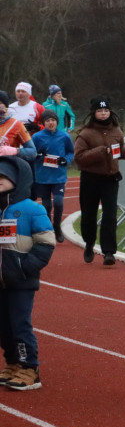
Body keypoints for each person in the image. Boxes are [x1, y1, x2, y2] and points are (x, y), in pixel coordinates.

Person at [0, 155, 55, 391]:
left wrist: (24, 267)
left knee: (20, 323)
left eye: (3, 176)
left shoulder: (32, 209)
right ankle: (12, 362)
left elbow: (46, 243)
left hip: (21, 281)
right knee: (3, 326)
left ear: (18, 179)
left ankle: (30, 368)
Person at [74, 96, 125, 266]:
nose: (103, 114)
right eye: (100, 111)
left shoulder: (117, 130)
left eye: (106, 110)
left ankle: (109, 252)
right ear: (94, 113)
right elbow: (79, 158)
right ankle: (88, 243)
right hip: (90, 179)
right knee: (89, 214)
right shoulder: (85, 134)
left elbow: (117, 150)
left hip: (110, 179)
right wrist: (101, 151)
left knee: (110, 215)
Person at [31, 110, 74, 242]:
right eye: (48, 120)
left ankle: (57, 226)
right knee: (46, 204)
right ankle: (48, 228)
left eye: (53, 120)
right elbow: (30, 153)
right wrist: (38, 154)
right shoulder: (37, 137)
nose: (51, 123)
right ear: (44, 123)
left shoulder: (64, 136)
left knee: (58, 202)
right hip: (42, 176)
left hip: (58, 176)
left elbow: (71, 152)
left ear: (57, 122)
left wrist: (66, 160)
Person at [0, 91, 39, 164]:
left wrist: (15, 151)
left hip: (8, 170)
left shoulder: (17, 125)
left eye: (0, 103)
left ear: (6, 106)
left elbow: (33, 153)